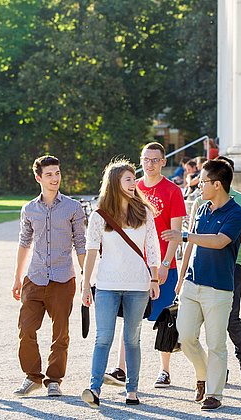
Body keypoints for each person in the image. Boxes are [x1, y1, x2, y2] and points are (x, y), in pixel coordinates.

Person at [162, 159, 241, 410]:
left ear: (217, 184)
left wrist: (185, 235)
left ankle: (214, 393)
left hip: (219, 288)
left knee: (216, 343)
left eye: (204, 181)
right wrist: (180, 277)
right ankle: (204, 374)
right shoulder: (201, 208)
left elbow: (220, 241)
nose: (199, 186)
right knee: (186, 337)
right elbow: (190, 244)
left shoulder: (236, 213)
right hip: (191, 282)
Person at [103, 142, 187, 388]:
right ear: (140, 161)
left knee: (164, 318)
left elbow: (175, 232)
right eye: (146, 159)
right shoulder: (132, 187)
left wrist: (164, 263)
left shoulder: (172, 191)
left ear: (163, 161)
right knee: (130, 316)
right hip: (134, 267)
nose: (149, 164)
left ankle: (165, 370)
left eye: (155, 160)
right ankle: (120, 368)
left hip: (163, 266)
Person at [80, 160, 161, 408]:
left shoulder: (144, 213)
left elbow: (152, 248)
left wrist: (155, 278)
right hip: (106, 285)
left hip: (138, 285)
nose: (133, 183)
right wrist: (85, 286)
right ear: (115, 182)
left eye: (133, 179)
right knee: (103, 337)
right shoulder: (99, 216)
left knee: (132, 339)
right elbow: (91, 251)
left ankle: (132, 390)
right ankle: (94, 389)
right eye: (128, 179)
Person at [12, 155, 86, 397]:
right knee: (25, 329)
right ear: (38, 178)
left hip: (63, 278)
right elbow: (24, 243)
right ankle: (32, 376)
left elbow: (81, 244)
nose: (55, 178)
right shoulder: (29, 209)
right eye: (49, 174)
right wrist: (17, 277)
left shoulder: (73, 208)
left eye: (57, 173)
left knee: (60, 333)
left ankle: (54, 380)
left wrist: (86, 278)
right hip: (34, 278)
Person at [189, 156, 241, 379]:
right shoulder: (201, 203)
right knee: (198, 328)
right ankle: (215, 371)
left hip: (232, 264)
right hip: (201, 268)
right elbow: (194, 239)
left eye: (204, 181)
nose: (200, 186)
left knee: (230, 318)